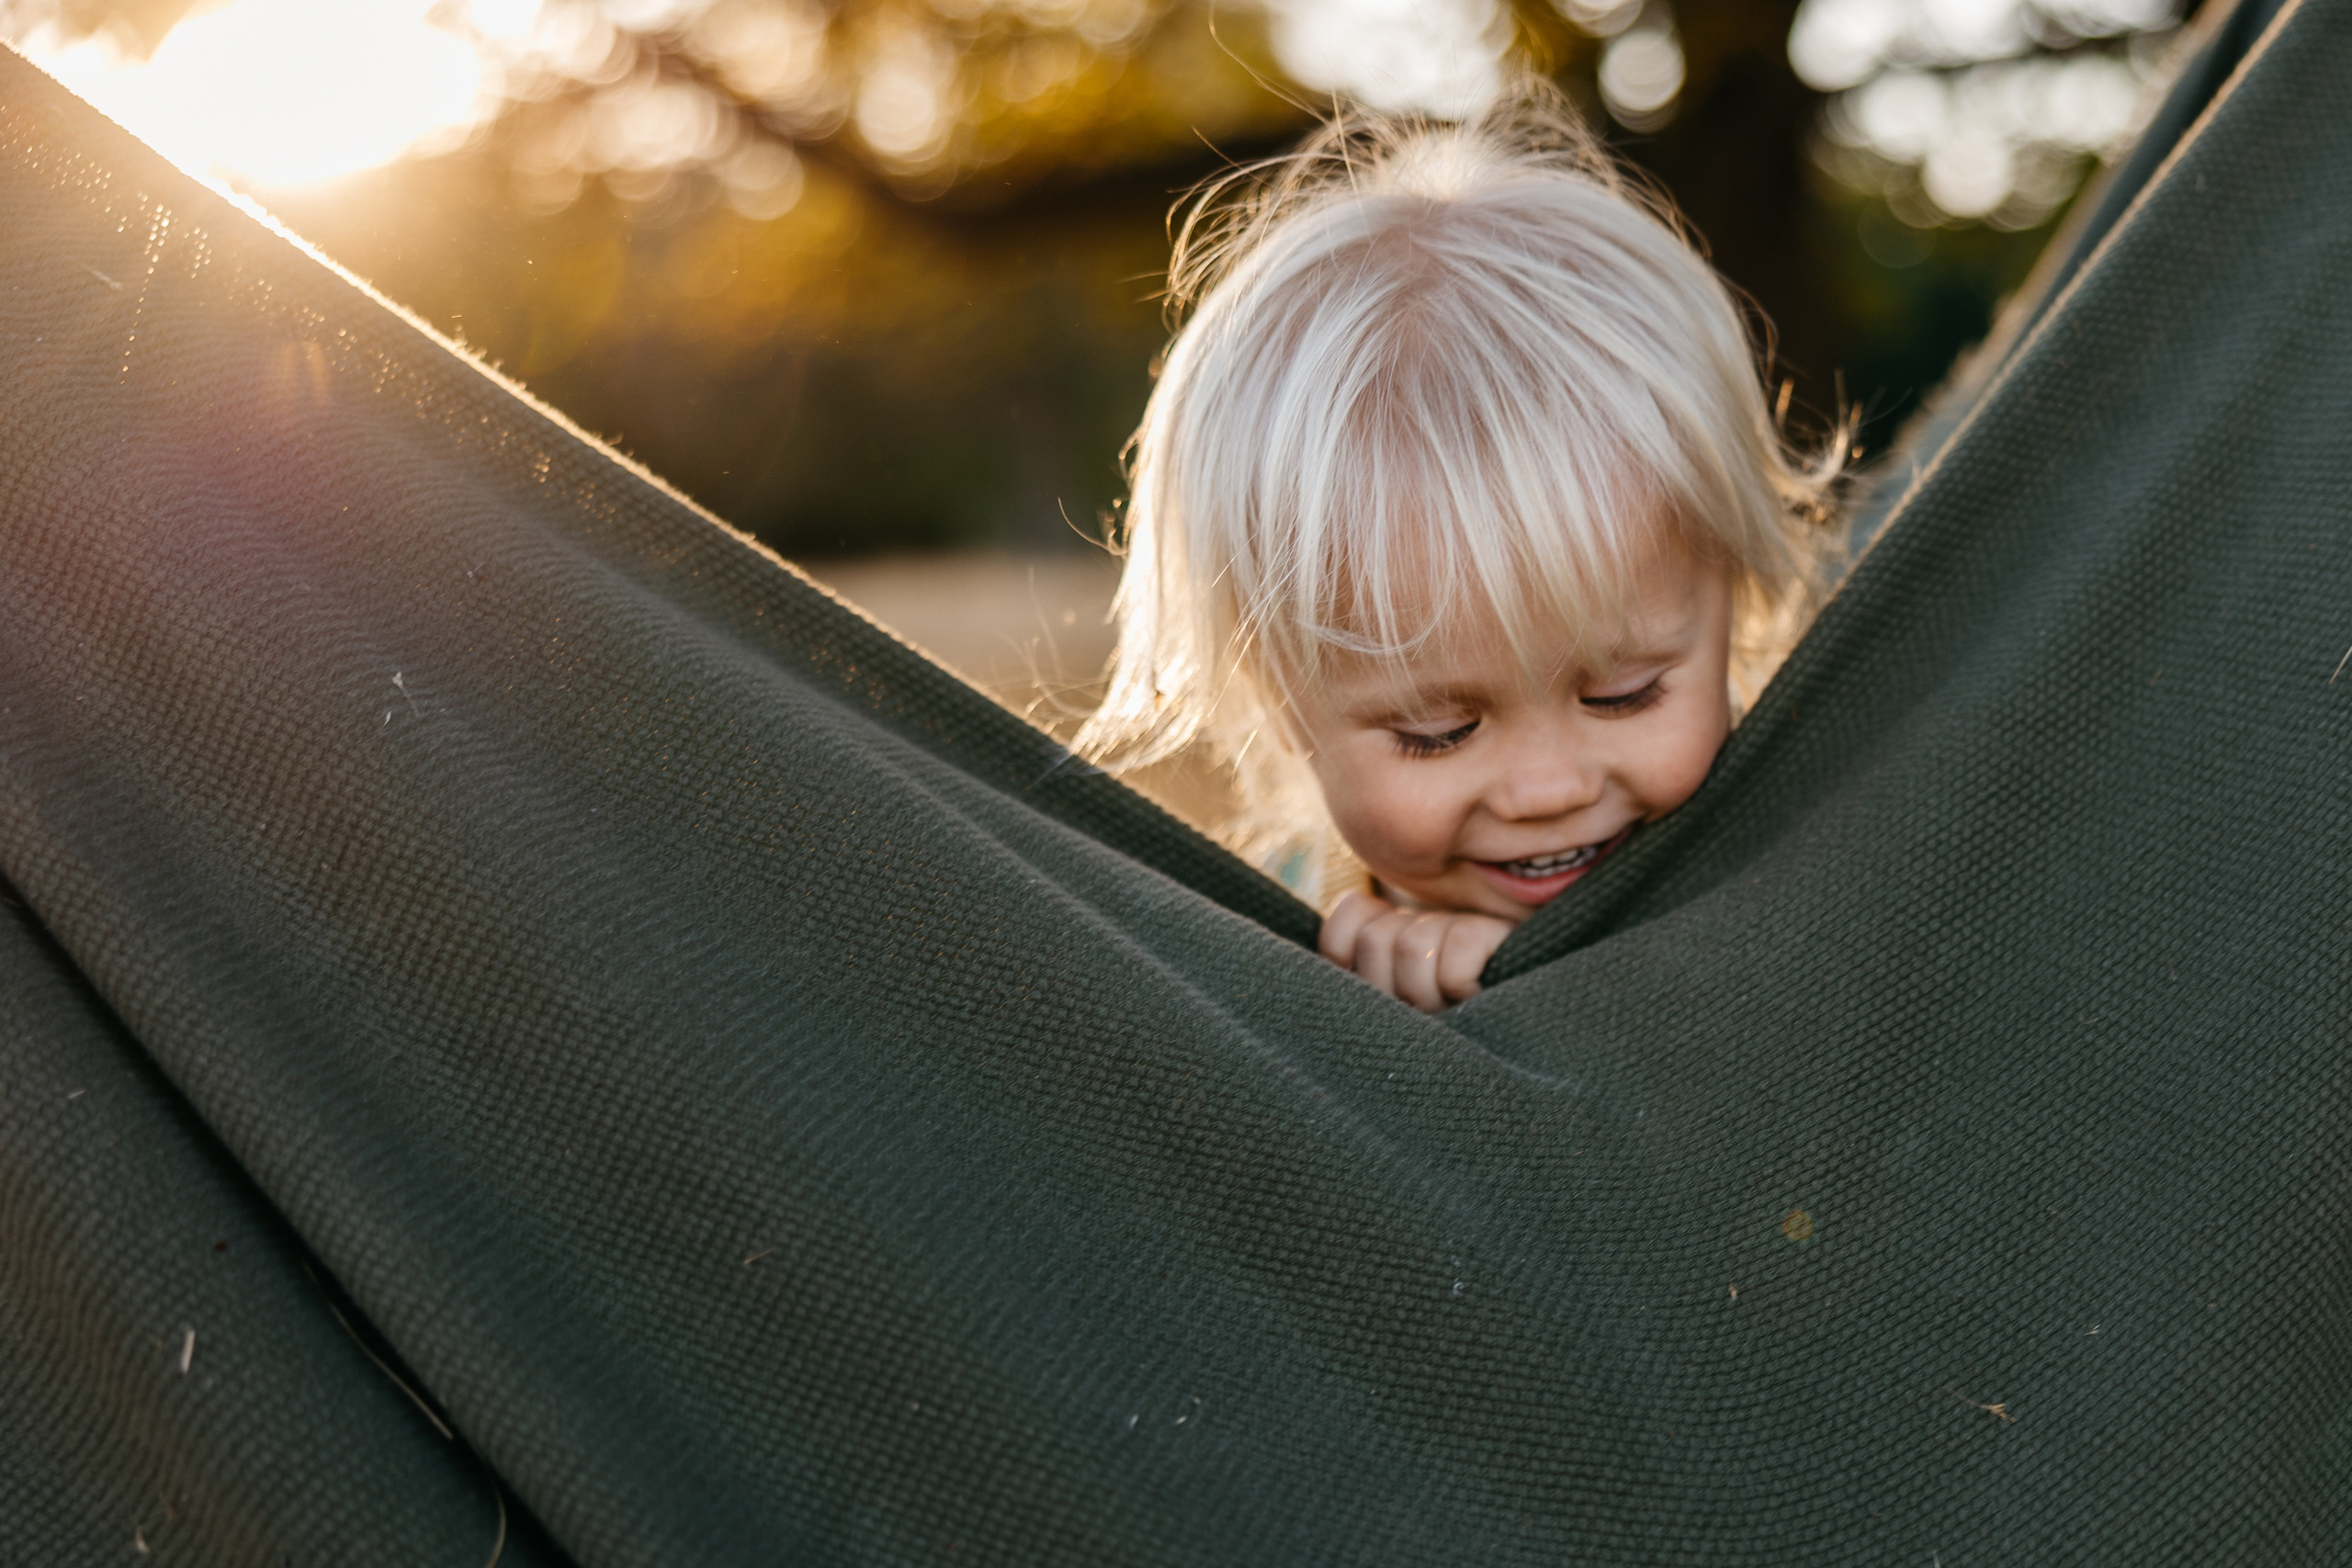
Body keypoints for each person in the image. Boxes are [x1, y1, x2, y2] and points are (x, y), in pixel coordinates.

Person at [1075, 86, 1838, 1012]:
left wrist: (1550, 988)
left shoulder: (1816, 853)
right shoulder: (1258, 954)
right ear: (1281, 699)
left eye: (1622, 693)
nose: (1547, 788)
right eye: (1437, 735)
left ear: (1731, 596)